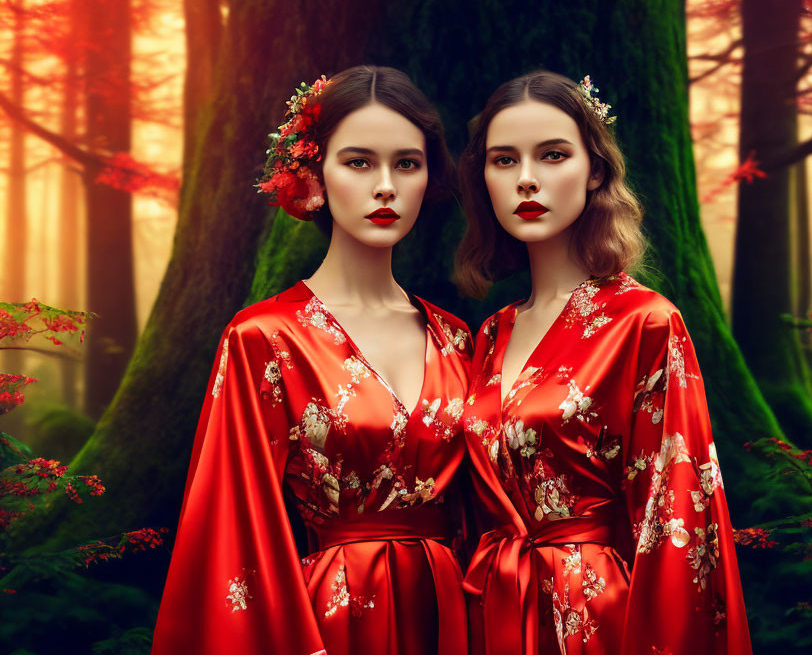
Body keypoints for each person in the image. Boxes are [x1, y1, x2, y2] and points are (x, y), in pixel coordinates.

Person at [152, 66, 472, 655]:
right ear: (313, 173)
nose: (386, 187)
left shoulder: (457, 340)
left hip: (453, 610)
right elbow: (235, 519)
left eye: (407, 163)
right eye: (358, 162)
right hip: (334, 618)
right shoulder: (264, 337)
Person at [455, 71, 751, 655]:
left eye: (553, 155)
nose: (528, 180)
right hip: (492, 605)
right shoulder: (490, 334)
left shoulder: (643, 322)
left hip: (594, 616)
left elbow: (677, 514)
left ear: (594, 171)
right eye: (504, 160)